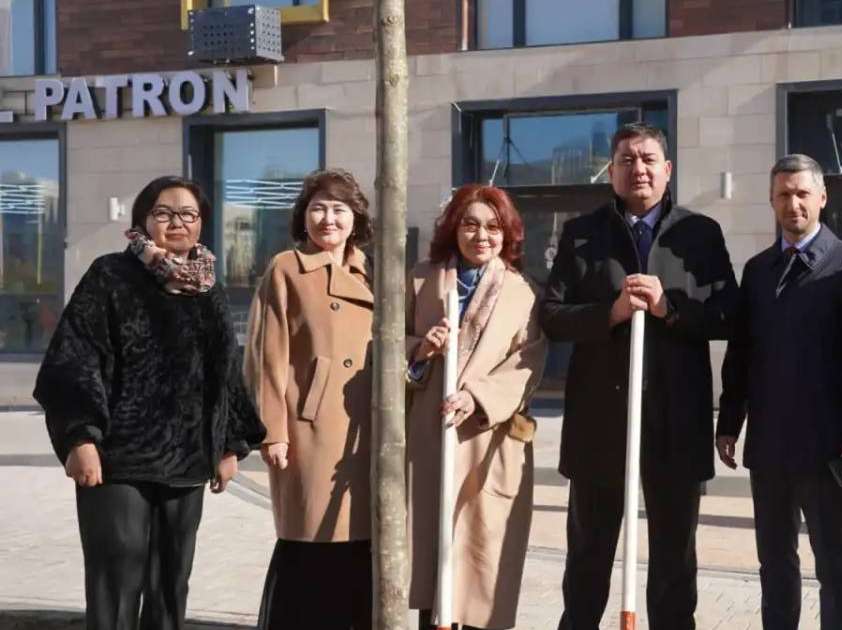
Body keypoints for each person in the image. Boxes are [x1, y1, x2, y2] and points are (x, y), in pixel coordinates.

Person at [34, 175, 265, 630]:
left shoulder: (207, 286)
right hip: (118, 460)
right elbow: (74, 359)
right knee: (117, 579)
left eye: (188, 214)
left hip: (187, 460)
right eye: (164, 213)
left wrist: (229, 442)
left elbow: (224, 368)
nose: (176, 223)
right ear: (144, 219)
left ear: (200, 225)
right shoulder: (110, 276)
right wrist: (80, 437)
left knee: (170, 584)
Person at [542, 122, 738, 630]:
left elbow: (728, 316)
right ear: (611, 172)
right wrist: (608, 314)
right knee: (587, 560)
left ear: (668, 169)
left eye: (649, 158)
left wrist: (669, 309)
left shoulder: (700, 234)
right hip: (600, 422)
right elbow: (552, 314)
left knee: (674, 564)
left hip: (676, 423)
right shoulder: (582, 234)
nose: (639, 168)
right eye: (626, 159)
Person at [716, 154, 842, 630]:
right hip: (768, 448)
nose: (793, 203)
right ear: (771, 200)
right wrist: (729, 422)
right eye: (783, 194)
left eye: (803, 193)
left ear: (822, 198)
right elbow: (741, 352)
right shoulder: (759, 269)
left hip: (829, 448)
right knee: (775, 564)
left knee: (834, 565)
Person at [406, 184, 547, 630]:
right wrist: (420, 351)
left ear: (507, 234)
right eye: (470, 224)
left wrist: (478, 396)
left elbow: (528, 361)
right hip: (428, 435)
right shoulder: (421, 278)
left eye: (492, 226)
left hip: (488, 439)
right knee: (431, 555)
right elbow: (384, 342)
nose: (481, 235)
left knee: (481, 561)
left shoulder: (523, 292)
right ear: (454, 228)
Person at [245, 169, 376, 629]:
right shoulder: (287, 268)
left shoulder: (370, 272)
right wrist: (272, 432)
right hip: (309, 431)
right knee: (311, 540)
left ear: (355, 218)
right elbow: (266, 357)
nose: (328, 219)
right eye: (318, 207)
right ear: (304, 216)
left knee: (359, 542)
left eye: (339, 209)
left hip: (365, 430)